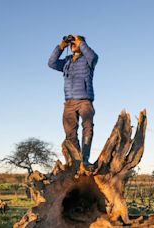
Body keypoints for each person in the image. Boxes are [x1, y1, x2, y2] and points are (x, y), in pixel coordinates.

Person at [48, 34, 99, 169]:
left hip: (84, 101)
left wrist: (80, 41)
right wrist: (61, 45)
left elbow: (94, 57)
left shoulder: (88, 60)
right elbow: (51, 63)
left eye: (75, 43)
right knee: (70, 133)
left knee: (87, 128)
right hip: (69, 102)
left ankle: (85, 159)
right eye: (71, 44)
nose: (73, 45)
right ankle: (77, 162)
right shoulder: (67, 61)